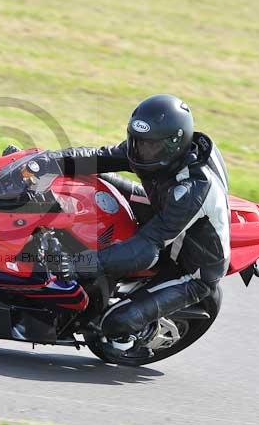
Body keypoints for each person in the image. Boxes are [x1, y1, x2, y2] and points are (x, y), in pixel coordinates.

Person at [49, 94, 230, 359]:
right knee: (96, 181)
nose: (141, 151)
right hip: (164, 210)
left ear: (174, 144)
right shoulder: (159, 151)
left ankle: (131, 339)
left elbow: (146, 251)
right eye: (137, 141)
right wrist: (41, 163)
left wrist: (80, 264)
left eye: (151, 146)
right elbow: (98, 157)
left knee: (112, 325)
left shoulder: (192, 189)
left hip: (191, 268)